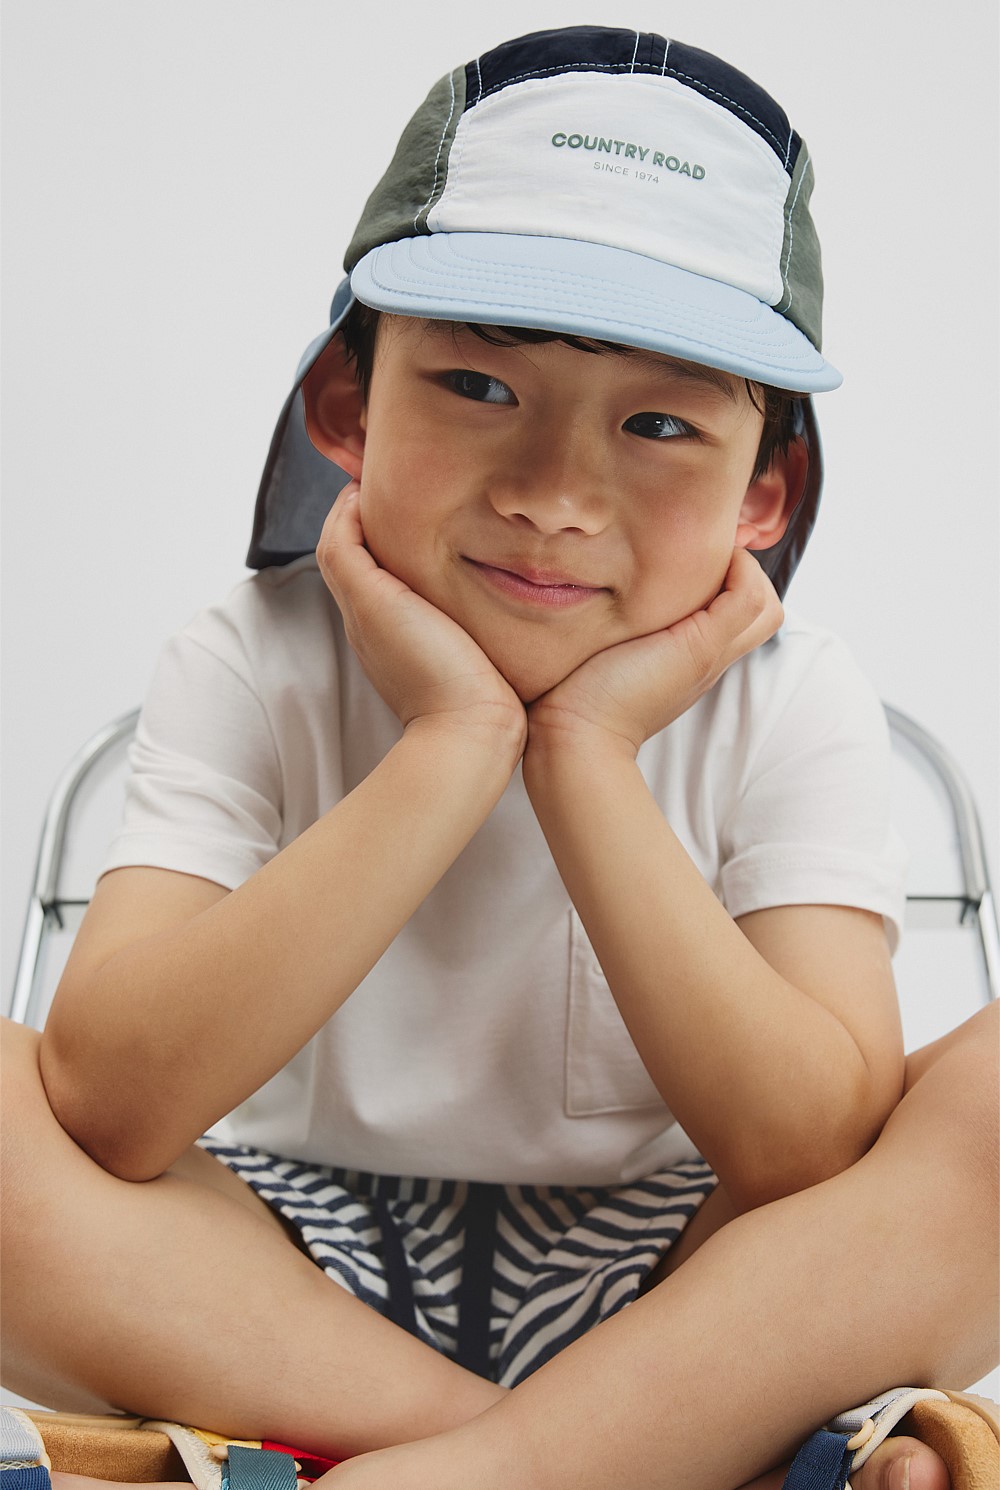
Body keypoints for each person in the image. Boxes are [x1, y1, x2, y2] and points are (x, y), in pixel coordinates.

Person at [2, 23, 996, 1490]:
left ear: (764, 492)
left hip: (695, 1283)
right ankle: (619, 1460)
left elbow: (803, 1151)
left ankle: (426, 1463)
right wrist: (453, 744)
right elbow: (111, 1100)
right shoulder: (249, 653)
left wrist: (585, 754)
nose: (553, 495)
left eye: (660, 423)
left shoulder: (796, 700)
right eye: (477, 387)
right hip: (271, 1278)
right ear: (343, 405)